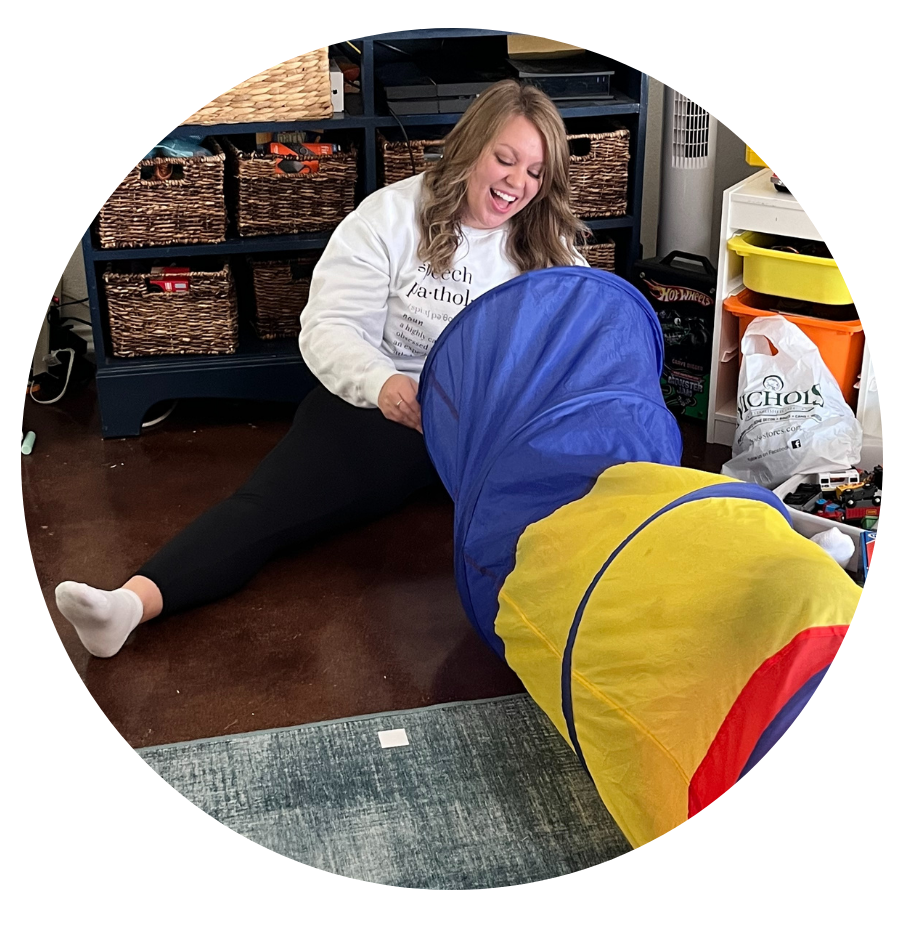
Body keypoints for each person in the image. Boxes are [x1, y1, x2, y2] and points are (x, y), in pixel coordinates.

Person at [55, 79, 591, 658]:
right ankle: (128, 605)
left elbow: (585, 336)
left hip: (491, 424)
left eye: (535, 172)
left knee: (580, 502)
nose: (517, 183)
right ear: (469, 148)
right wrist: (383, 384)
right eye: (505, 159)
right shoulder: (390, 216)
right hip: (390, 410)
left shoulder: (549, 238)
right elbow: (330, 327)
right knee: (271, 505)